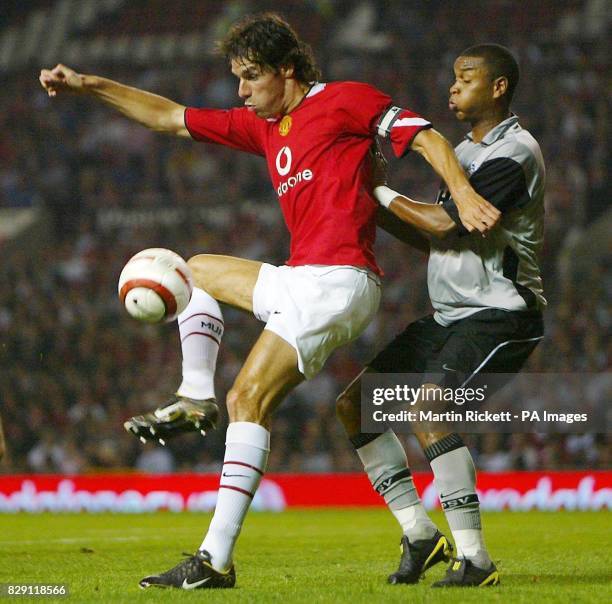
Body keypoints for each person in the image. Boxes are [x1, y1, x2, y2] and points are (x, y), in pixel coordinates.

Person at [39, 13, 499, 590]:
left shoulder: (346, 100)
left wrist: (462, 192)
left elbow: (427, 137)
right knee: (195, 270)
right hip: (302, 277)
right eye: (237, 78)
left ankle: (214, 560)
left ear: (286, 70)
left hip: (338, 279)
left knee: (248, 399)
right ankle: (195, 398)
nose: (241, 91)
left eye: (251, 77)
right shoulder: (265, 127)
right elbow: (168, 117)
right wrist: (88, 84)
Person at [336, 43, 546, 588]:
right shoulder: (464, 154)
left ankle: (475, 559)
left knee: (429, 409)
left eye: (466, 78)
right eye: (454, 78)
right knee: (357, 407)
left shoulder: (515, 152)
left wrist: (376, 188)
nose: (454, 87)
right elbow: (434, 237)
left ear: (498, 87)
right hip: (451, 316)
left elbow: (444, 224)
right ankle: (421, 535)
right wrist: (369, 208)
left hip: (501, 316)